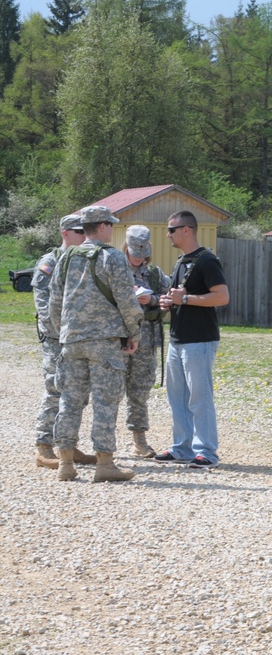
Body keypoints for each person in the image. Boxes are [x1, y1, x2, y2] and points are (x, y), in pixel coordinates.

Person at [49, 206, 144, 482]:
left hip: (72, 340)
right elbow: (127, 299)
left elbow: (55, 301)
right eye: (111, 225)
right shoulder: (112, 257)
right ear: (102, 227)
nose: (113, 230)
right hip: (104, 341)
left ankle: (65, 464)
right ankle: (104, 464)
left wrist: (63, 333)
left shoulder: (66, 257)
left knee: (70, 399)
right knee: (105, 401)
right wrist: (134, 334)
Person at [155, 210, 229, 469]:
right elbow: (178, 296)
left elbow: (221, 297)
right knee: (177, 397)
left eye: (171, 230)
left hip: (199, 339)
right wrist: (168, 301)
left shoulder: (207, 261)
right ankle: (182, 448)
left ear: (187, 229)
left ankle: (207, 451)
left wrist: (185, 299)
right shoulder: (180, 262)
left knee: (199, 397)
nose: (168, 235)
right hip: (178, 339)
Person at [31, 213, 95, 470]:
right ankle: (43, 445)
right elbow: (43, 306)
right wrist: (60, 333)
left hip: (79, 339)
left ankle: (67, 444)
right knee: (55, 389)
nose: (84, 236)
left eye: (85, 232)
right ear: (65, 233)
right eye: (79, 232)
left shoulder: (83, 261)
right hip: (57, 339)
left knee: (77, 394)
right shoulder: (50, 261)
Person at [122, 225, 171, 457]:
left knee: (140, 391)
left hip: (147, 340)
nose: (139, 258)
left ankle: (139, 441)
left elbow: (168, 298)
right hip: (117, 340)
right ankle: (104, 443)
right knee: (108, 391)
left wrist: (151, 298)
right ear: (126, 248)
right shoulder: (113, 269)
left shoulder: (154, 273)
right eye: (135, 253)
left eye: (143, 254)